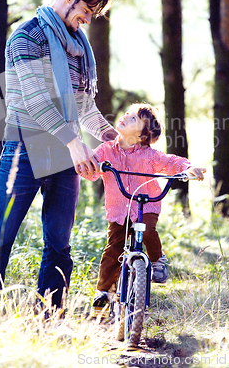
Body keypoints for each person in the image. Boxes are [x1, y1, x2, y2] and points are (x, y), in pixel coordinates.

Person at [0, 0, 118, 312]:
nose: (87, 20)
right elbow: (37, 101)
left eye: (93, 15)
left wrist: (115, 138)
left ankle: (50, 316)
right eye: (86, 11)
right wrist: (73, 142)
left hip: (66, 155)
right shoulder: (27, 37)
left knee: (59, 243)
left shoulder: (80, 49)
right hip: (23, 149)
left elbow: (85, 107)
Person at [79, 103, 205, 316]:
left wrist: (187, 168)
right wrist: (85, 164)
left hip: (146, 205)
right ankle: (103, 293)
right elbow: (91, 173)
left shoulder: (149, 155)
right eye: (127, 113)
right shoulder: (106, 149)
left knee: (147, 230)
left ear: (141, 137)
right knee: (113, 250)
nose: (126, 116)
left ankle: (157, 261)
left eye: (134, 119)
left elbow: (170, 162)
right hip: (119, 211)